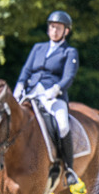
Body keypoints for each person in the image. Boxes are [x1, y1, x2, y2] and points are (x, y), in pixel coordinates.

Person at [14, 10, 80, 185]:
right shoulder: (38, 48)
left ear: (66, 31)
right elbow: (26, 70)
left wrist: (55, 89)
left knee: (63, 126)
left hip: (54, 97)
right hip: (31, 93)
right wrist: (19, 87)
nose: (54, 31)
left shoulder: (70, 52)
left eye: (58, 28)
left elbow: (69, 76)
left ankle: (68, 168)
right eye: (52, 27)